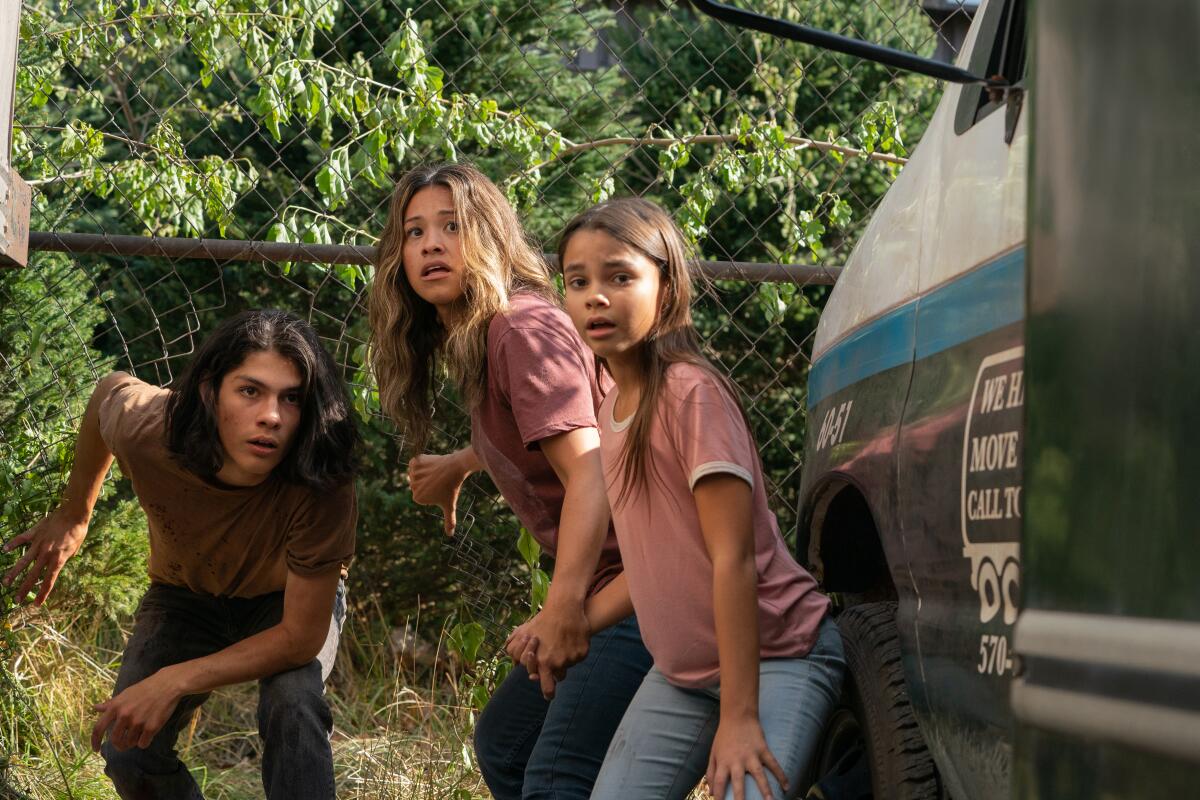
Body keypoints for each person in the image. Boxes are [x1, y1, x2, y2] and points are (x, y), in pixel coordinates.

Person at [367, 163, 651, 800]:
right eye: (414, 233)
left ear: (491, 237)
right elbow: (542, 427)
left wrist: (562, 610)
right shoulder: (488, 335)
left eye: (453, 226)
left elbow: (591, 469)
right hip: (614, 581)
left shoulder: (519, 329)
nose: (431, 244)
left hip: (646, 585)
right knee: (504, 745)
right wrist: (460, 464)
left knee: (551, 779)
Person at [2, 309, 359, 800]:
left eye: (291, 398)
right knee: (127, 749)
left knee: (293, 704)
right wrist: (74, 512)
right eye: (250, 391)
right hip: (184, 593)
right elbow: (109, 389)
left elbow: (299, 638)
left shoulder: (323, 476)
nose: (272, 416)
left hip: (284, 604)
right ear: (211, 391)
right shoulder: (151, 429)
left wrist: (175, 680)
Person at [558, 197, 845, 800]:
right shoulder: (612, 408)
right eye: (577, 281)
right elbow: (651, 567)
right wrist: (570, 623)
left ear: (665, 289)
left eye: (619, 276)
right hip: (685, 677)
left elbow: (731, 560)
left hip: (778, 658)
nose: (595, 297)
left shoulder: (691, 396)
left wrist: (740, 719)